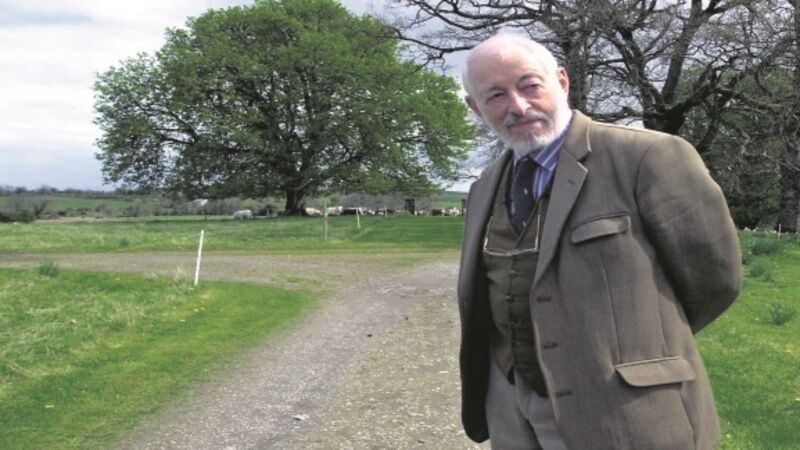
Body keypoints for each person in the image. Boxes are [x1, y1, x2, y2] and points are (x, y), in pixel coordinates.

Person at [457, 33, 742, 450]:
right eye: (496, 95)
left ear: (562, 81)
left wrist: (634, 351)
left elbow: (716, 280)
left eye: (530, 85)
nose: (518, 106)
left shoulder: (648, 156)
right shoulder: (484, 185)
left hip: (623, 410)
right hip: (512, 408)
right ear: (475, 107)